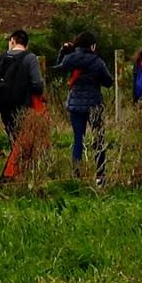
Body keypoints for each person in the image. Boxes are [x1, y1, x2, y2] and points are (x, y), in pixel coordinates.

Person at [57, 31, 116, 180]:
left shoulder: (70, 58)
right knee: (99, 139)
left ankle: (77, 173)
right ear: (92, 46)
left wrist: (63, 52)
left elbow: (60, 67)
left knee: (78, 139)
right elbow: (108, 82)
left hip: (75, 104)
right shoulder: (97, 61)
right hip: (94, 104)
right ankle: (100, 174)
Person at [0, 28, 47, 182]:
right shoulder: (30, 58)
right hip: (23, 106)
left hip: (3, 106)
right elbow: (38, 85)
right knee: (23, 143)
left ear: (12, 41)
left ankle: (14, 175)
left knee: (14, 140)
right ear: (26, 44)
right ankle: (10, 176)